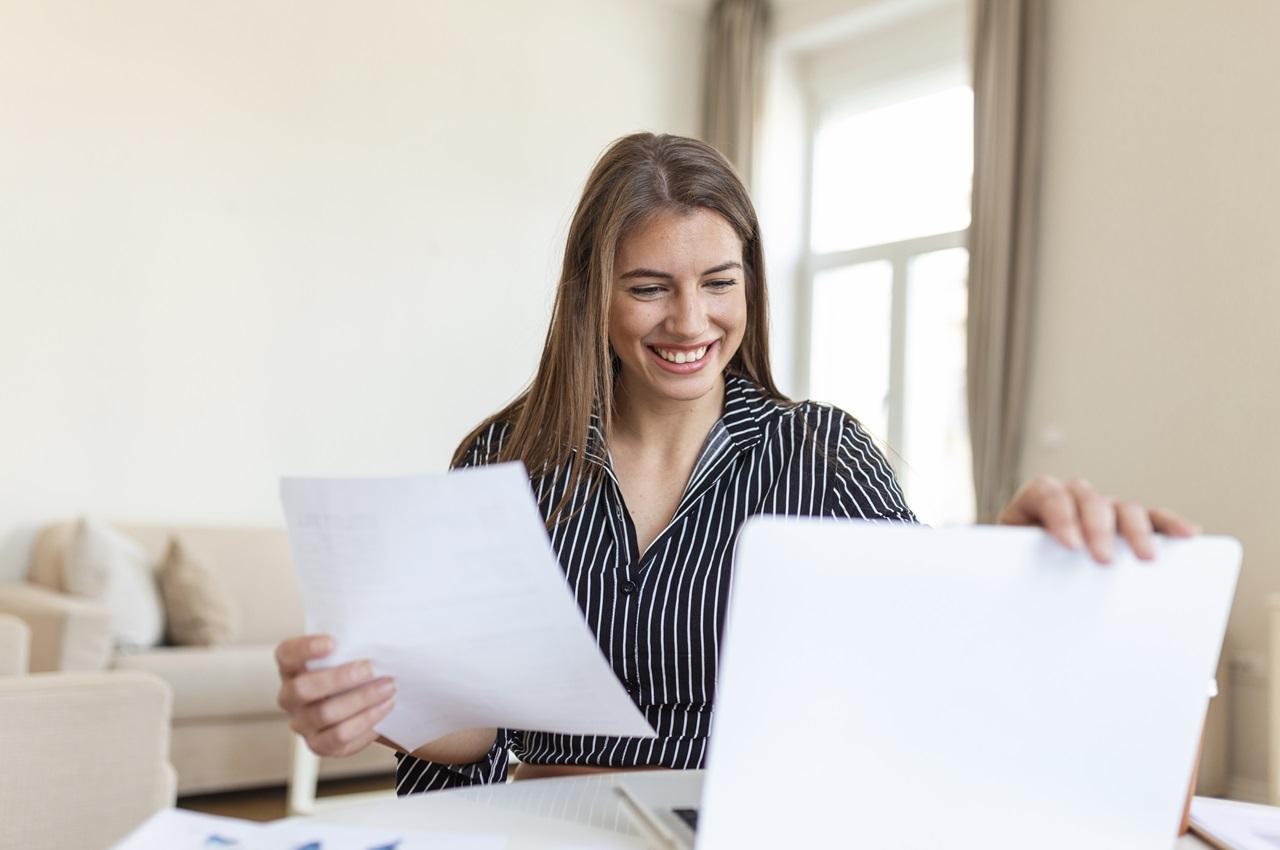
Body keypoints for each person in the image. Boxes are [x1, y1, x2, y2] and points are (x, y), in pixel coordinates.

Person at [274, 132, 1198, 796]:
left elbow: (928, 673)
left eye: (719, 282)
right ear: (592, 296)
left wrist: (1021, 567)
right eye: (649, 288)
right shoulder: (503, 459)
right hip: (538, 826)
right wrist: (377, 706)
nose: (690, 323)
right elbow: (471, 728)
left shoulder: (823, 457)